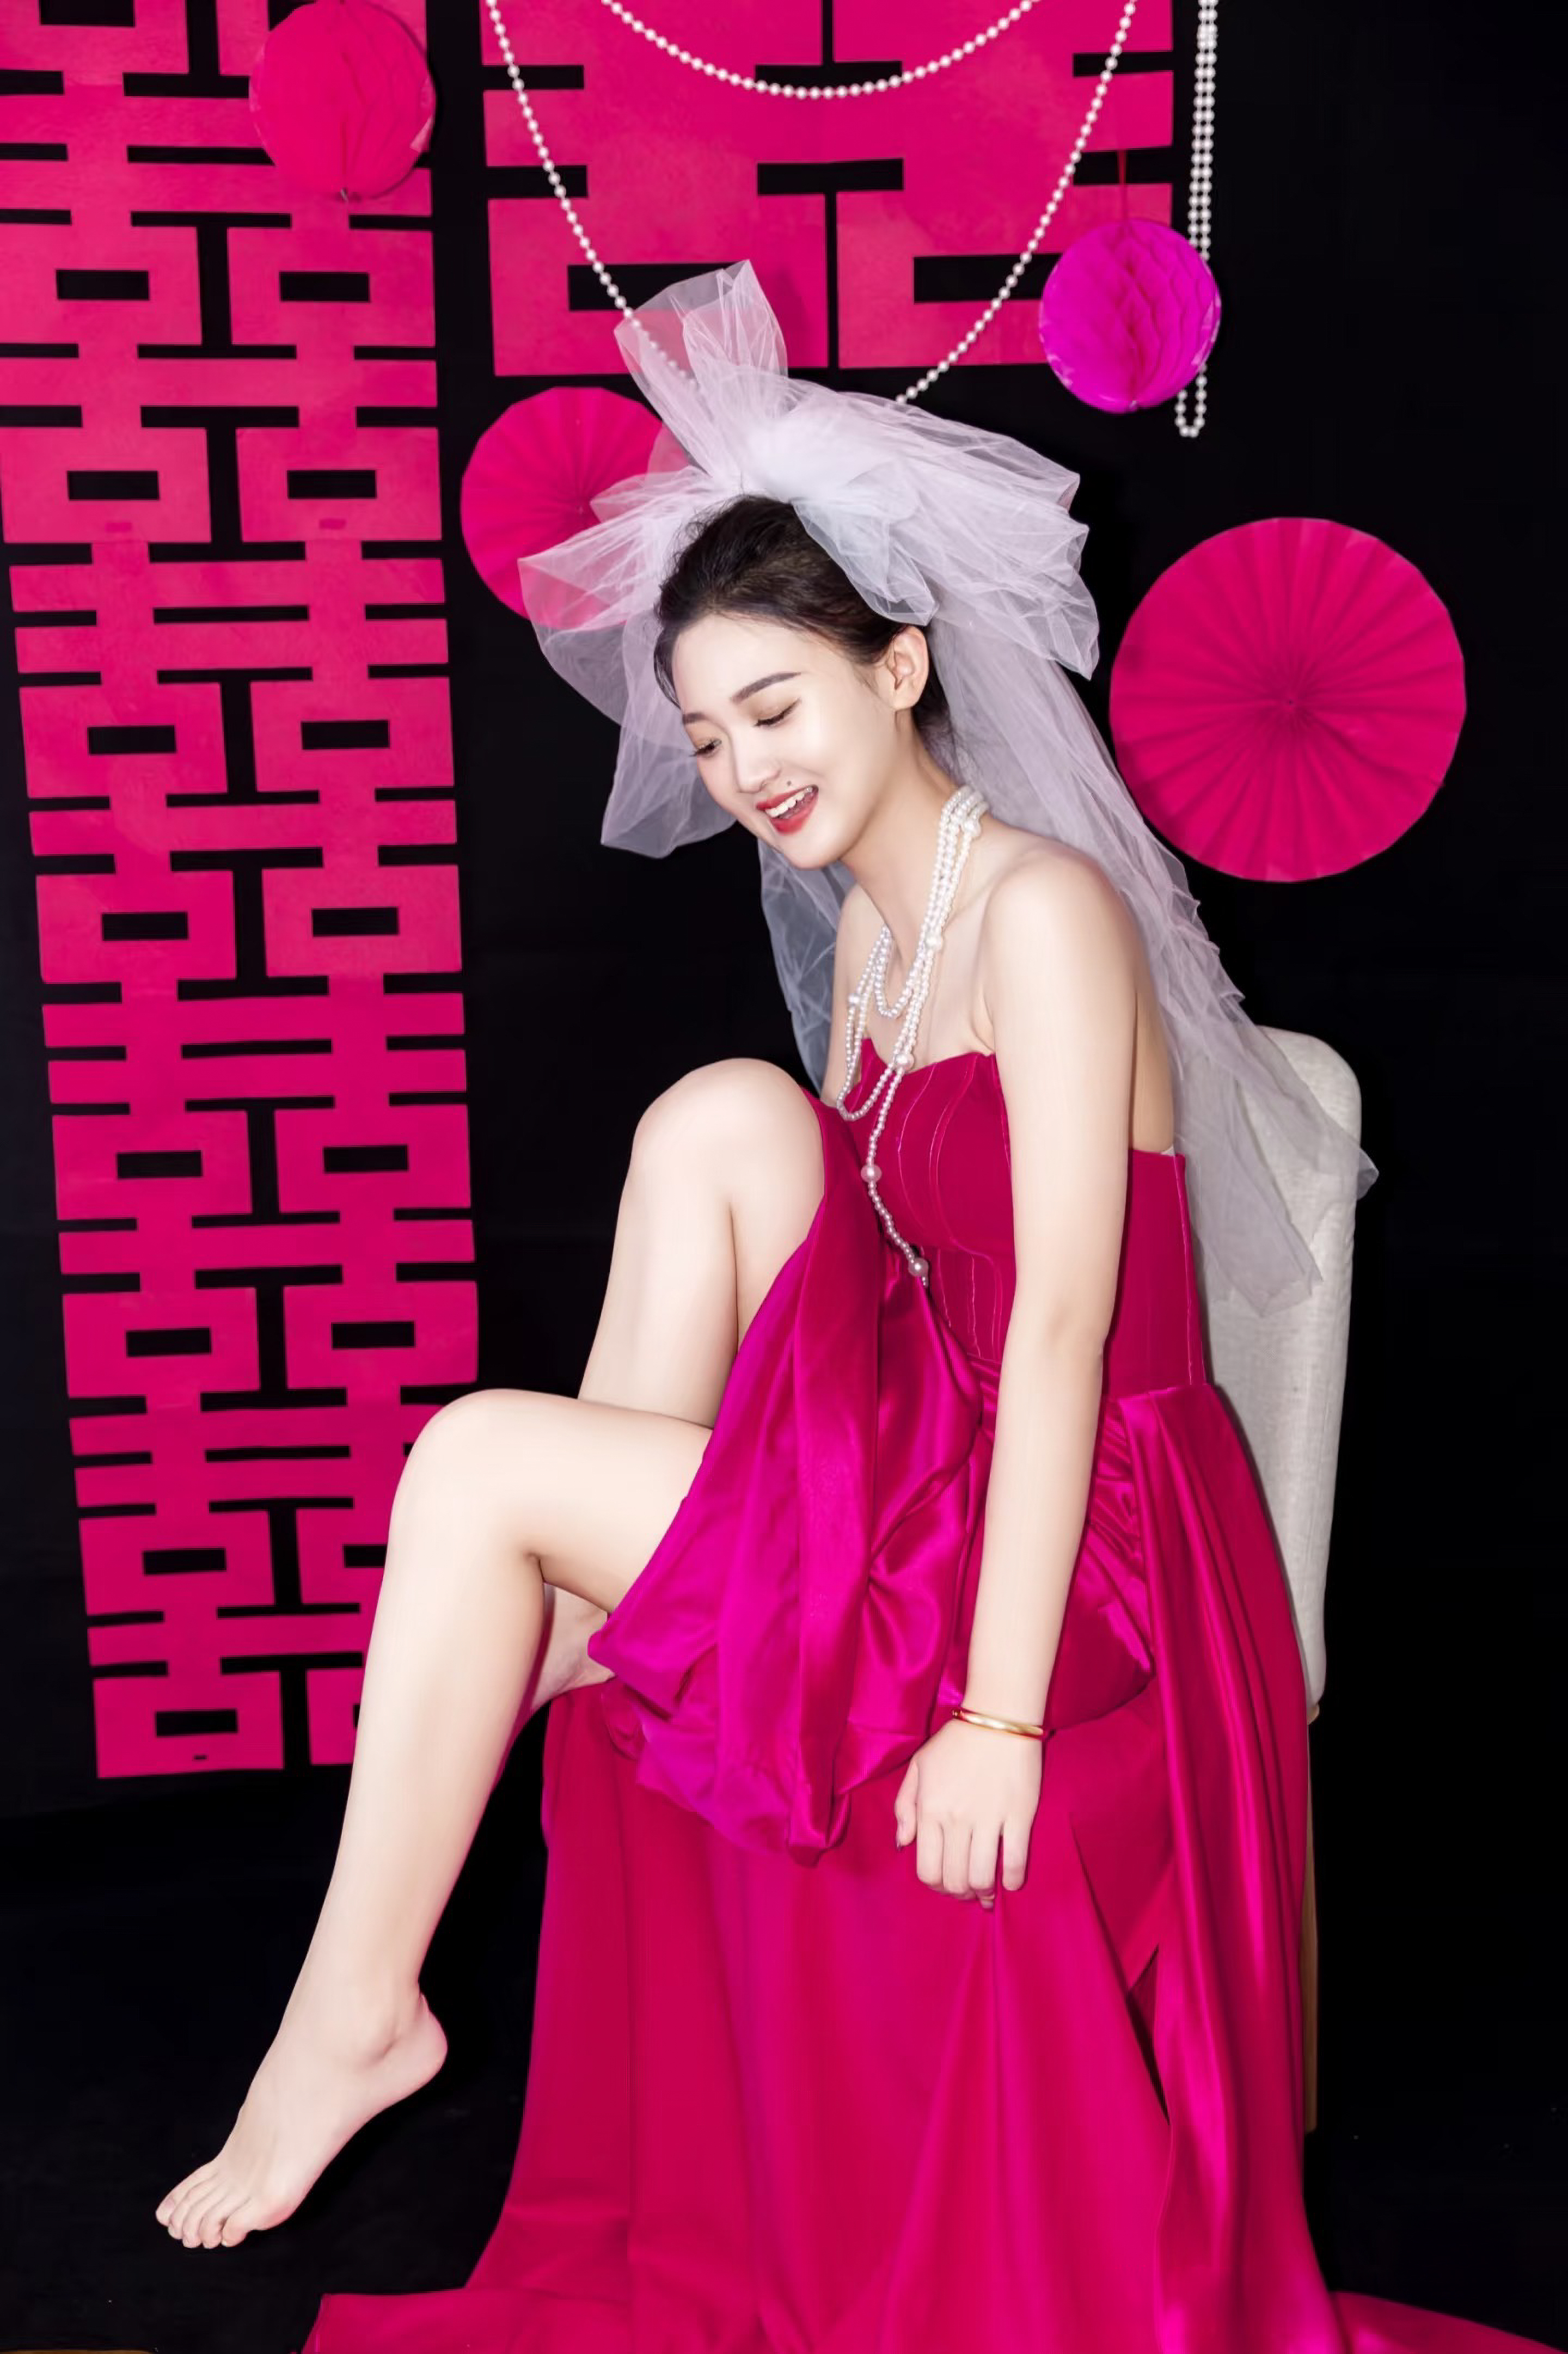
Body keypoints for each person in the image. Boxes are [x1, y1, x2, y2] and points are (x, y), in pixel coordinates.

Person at [155, 265, 1553, 2354]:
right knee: (720, 1112)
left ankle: (359, 2002)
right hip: (932, 1456)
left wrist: (996, 1717)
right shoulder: (874, 943)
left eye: (779, 707)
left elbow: (1062, 1325)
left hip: (1095, 1541)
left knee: (473, 1454)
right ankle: (573, 1628)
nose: (745, 767)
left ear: (900, 667)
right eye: (710, 734)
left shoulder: (1047, 911)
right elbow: (859, 1285)